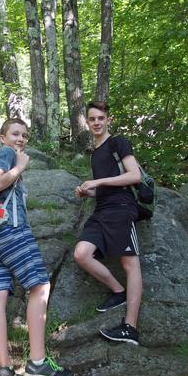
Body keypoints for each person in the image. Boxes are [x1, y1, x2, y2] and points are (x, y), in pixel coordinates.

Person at [0, 118, 74, 376]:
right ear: (2, 137)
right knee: (40, 287)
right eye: (15, 134)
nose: (21, 139)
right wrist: (20, 165)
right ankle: (36, 363)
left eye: (24, 135)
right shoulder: (6, 154)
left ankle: (4, 369)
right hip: (12, 231)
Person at [74, 101, 142, 345]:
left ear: (108, 120)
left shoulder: (118, 143)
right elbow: (103, 188)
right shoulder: (95, 152)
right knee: (81, 254)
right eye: (92, 119)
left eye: (101, 118)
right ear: (87, 122)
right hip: (101, 210)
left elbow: (134, 176)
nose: (97, 122)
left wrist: (97, 182)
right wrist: (88, 192)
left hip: (122, 208)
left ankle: (130, 328)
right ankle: (118, 291)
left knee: (130, 263)